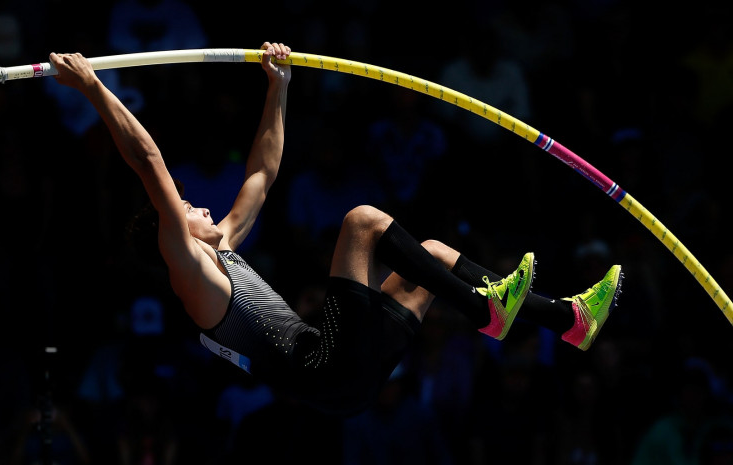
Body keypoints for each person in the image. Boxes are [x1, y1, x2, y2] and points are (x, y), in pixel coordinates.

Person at [49, 41, 624, 417]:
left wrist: (279, 87)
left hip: (346, 376)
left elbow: (263, 172)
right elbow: (148, 161)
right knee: (362, 222)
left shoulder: (219, 246)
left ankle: (566, 320)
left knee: (434, 257)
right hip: (319, 365)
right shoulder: (188, 267)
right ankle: (486, 311)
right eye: (191, 208)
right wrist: (95, 86)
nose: (203, 208)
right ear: (174, 228)